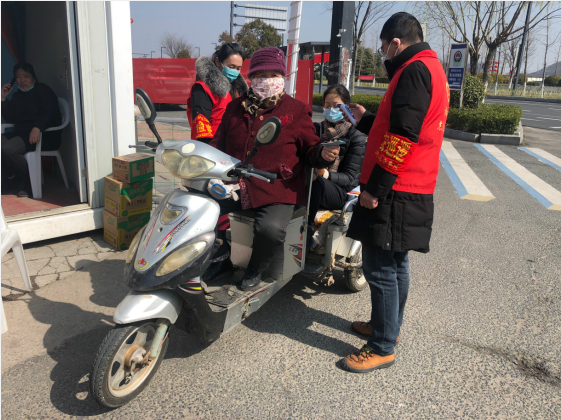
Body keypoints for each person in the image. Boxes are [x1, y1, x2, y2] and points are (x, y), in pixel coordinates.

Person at [339, 12, 449, 373]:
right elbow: (401, 125)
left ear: (396, 43)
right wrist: (366, 118)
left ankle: (383, 346)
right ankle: (387, 327)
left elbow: (403, 136)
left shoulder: (413, 70)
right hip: (410, 184)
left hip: (396, 188)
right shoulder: (429, 67)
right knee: (396, 264)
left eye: (384, 47)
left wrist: (374, 189)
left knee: (379, 268)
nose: (383, 53)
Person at [207, 47, 339, 291]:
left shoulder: (295, 110)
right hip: (234, 183)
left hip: (277, 187)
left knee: (270, 230)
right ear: (251, 78)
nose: (268, 80)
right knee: (200, 210)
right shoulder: (235, 108)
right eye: (261, 75)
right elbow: (217, 145)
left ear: (282, 77)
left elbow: (311, 149)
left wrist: (322, 154)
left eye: (274, 75)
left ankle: (256, 268)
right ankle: (219, 257)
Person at [307, 84, 366, 247]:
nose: (331, 110)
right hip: (314, 183)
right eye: (327, 105)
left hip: (341, 192)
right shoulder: (316, 129)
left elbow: (349, 177)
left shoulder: (356, 136)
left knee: (316, 183)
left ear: (346, 108)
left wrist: (325, 174)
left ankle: (307, 232)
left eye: (336, 106)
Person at [1, 63, 62, 198]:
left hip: (44, 135)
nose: (22, 80)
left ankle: (31, 181)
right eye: (18, 77)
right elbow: (11, 117)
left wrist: (38, 127)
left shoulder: (43, 90)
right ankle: (12, 176)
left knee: (8, 149)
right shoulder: (18, 95)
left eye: (26, 76)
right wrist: (3, 99)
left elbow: (50, 112)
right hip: (23, 134)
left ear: (33, 77)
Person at [186, 43, 248, 143]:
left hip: (234, 146)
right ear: (218, 62)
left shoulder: (238, 90)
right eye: (231, 66)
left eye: (238, 68)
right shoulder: (202, 88)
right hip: (213, 147)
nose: (235, 71)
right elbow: (201, 128)